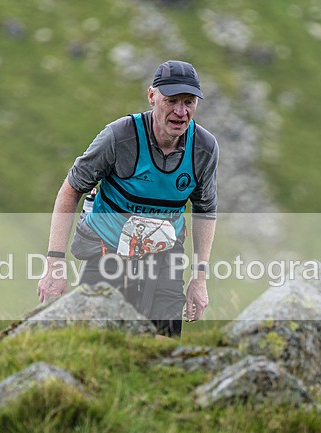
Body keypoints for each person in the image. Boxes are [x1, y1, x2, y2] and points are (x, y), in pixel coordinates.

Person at [37, 60, 218, 337]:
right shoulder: (120, 137)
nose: (180, 112)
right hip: (106, 249)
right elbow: (71, 189)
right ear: (151, 96)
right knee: (92, 342)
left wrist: (200, 278)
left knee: (163, 346)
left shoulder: (203, 148)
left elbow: (205, 211)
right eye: (171, 101)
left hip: (165, 254)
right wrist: (55, 265)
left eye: (189, 102)